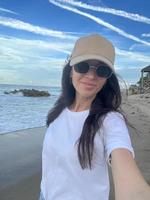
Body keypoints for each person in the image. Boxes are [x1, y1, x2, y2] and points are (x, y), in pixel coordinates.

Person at [39, 34, 150, 200]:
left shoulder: (110, 121)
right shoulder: (58, 110)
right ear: (71, 70)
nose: (91, 76)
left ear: (107, 79)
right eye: (83, 66)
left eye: (102, 70)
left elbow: (132, 184)